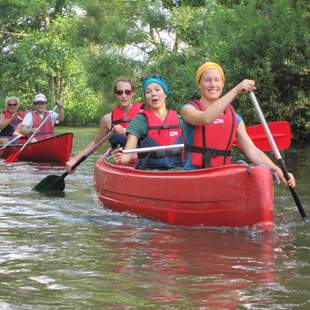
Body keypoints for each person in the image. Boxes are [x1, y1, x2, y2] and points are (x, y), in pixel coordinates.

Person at [181, 61, 295, 187]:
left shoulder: (235, 119)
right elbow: (206, 118)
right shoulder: (188, 110)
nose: (213, 84)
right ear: (199, 84)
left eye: (217, 80)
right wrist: (237, 89)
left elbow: (253, 152)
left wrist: (277, 170)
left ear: (222, 84)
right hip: (194, 176)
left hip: (222, 176)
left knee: (258, 174)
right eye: (208, 80)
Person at [66, 76, 143, 173]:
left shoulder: (144, 115)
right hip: (116, 163)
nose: (124, 95)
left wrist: (126, 131)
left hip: (140, 162)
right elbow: (96, 143)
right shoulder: (107, 119)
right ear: (115, 94)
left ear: (133, 93)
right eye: (119, 92)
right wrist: (75, 159)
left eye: (127, 92)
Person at [112, 74, 184, 169]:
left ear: (165, 93)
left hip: (178, 170)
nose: (153, 93)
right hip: (148, 172)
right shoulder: (139, 121)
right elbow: (126, 157)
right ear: (146, 97)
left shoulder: (179, 120)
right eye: (148, 91)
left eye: (157, 89)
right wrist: (119, 158)